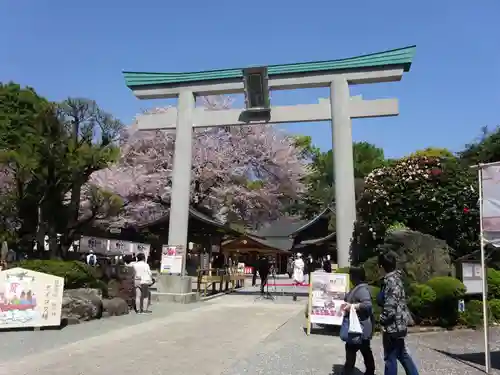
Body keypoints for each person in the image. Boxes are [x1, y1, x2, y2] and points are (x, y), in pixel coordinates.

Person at [378, 251, 419, 375]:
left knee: (390, 357)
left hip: (393, 326)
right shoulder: (395, 279)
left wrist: (382, 319)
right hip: (398, 324)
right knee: (402, 354)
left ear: (382, 266)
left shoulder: (391, 281)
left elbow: (390, 306)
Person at [342, 267, 375, 375]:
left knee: (359, 349)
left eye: (351, 275)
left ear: (356, 277)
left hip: (361, 326)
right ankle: (367, 370)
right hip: (357, 327)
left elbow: (367, 305)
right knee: (358, 349)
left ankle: (368, 371)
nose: (350, 278)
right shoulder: (357, 288)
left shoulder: (362, 290)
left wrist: (352, 306)